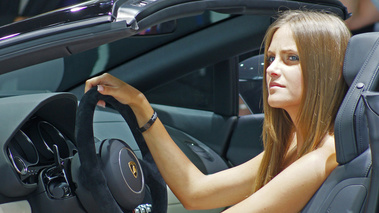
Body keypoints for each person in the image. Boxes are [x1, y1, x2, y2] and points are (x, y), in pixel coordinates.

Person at [85, 10, 351, 212]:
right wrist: (139, 103)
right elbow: (196, 192)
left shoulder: (324, 156)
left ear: (324, 70)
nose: (271, 69)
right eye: (270, 58)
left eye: (291, 58)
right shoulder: (294, 144)